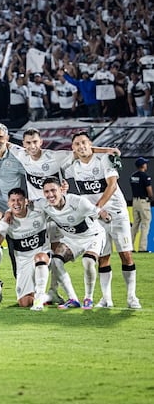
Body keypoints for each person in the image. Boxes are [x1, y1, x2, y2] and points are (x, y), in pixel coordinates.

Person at [66, 131, 141, 308]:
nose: (81, 146)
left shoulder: (104, 160)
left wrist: (98, 208)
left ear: (90, 143)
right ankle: (106, 299)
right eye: (77, 144)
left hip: (116, 214)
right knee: (103, 257)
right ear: (73, 148)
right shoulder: (73, 166)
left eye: (84, 142)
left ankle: (131, 297)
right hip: (96, 218)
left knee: (126, 254)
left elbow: (112, 185)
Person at [38, 177, 110, 310]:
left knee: (88, 262)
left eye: (53, 190)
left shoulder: (78, 202)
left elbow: (99, 212)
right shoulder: (43, 204)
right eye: (46, 192)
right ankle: (73, 299)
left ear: (61, 190)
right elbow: (26, 205)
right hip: (72, 239)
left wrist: (106, 216)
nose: (50, 195)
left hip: (92, 236)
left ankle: (88, 298)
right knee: (56, 261)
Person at [0, 188, 53, 309]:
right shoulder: (7, 221)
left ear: (26, 201)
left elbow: (55, 205)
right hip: (23, 263)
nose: (16, 203)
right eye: (13, 200)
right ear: (8, 203)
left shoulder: (38, 211)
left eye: (19, 200)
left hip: (43, 256)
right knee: (24, 303)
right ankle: (49, 296)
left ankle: (39, 300)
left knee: (39, 257)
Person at [130, 157, 153, 252]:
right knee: (145, 224)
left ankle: (129, 247)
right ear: (143, 165)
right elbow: (149, 191)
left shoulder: (133, 176)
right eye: (145, 163)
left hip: (135, 201)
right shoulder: (145, 176)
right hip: (143, 202)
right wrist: (151, 198)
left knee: (135, 225)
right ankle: (142, 248)